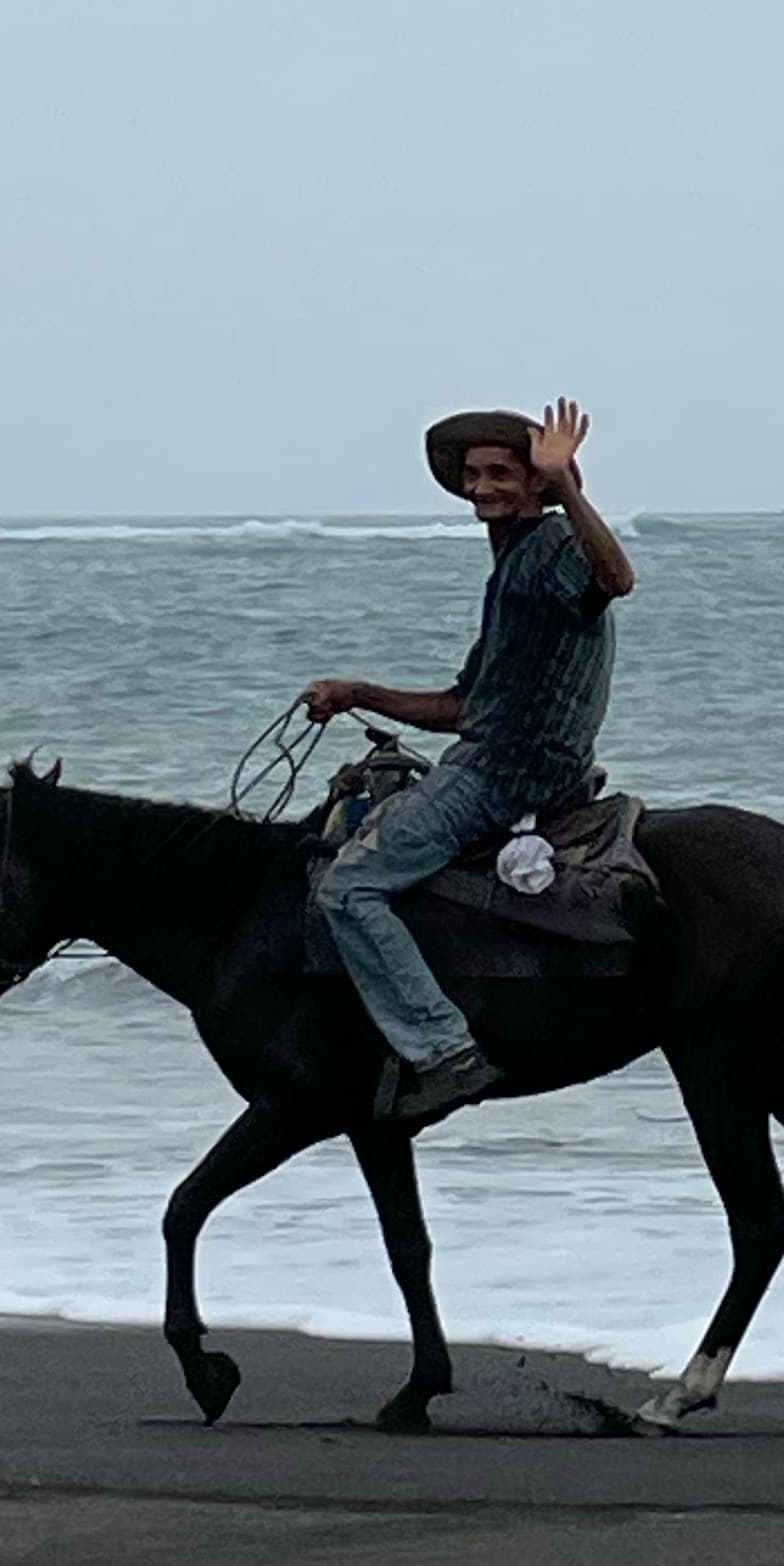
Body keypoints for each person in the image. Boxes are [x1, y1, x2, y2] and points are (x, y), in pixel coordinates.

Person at [299, 397, 638, 1122]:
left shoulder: (548, 548)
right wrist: (358, 691)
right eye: (472, 475)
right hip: (499, 751)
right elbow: (462, 705)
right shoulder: (512, 566)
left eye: (499, 473)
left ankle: (445, 1051)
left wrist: (569, 485)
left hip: (507, 771)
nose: (481, 487)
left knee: (348, 887)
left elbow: (616, 580)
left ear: (537, 484)